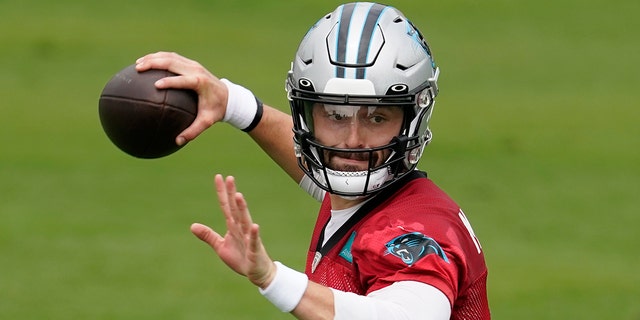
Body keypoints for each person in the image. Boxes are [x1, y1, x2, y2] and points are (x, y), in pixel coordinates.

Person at [135, 2, 490, 319]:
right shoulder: (365, 198)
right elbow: (327, 170)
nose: (352, 141)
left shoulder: (419, 231)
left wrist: (272, 279)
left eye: (377, 118)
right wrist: (233, 104)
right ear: (309, 118)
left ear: (410, 119)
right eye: (335, 115)